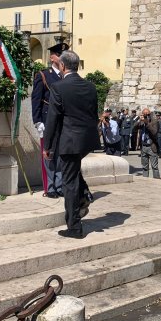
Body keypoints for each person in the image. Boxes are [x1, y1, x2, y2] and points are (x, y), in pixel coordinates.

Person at [43, 50, 101, 239]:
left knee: (69, 183)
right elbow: (93, 115)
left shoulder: (59, 87)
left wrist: (47, 146)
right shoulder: (90, 87)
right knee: (73, 172)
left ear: (62, 66)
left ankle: (74, 226)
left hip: (69, 141)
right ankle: (84, 195)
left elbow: (53, 119)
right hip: (86, 140)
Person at [31, 42, 68, 198]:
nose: (61, 58)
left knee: (60, 155)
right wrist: (38, 121)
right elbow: (36, 99)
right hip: (47, 120)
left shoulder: (65, 75)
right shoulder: (44, 75)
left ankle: (59, 186)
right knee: (49, 154)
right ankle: (50, 187)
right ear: (52, 57)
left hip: (63, 121)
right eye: (59, 55)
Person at [137, 108, 160, 178]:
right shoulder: (141, 122)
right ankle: (145, 181)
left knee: (154, 167)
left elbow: (154, 132)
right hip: (144, 146)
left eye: (147, 114)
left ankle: (156, 181)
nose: (146, 116)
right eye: (144, 114)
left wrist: (147, 123)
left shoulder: (154, 121)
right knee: (144, 167)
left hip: (151, 146)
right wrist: (139, 120)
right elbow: (133, 129)